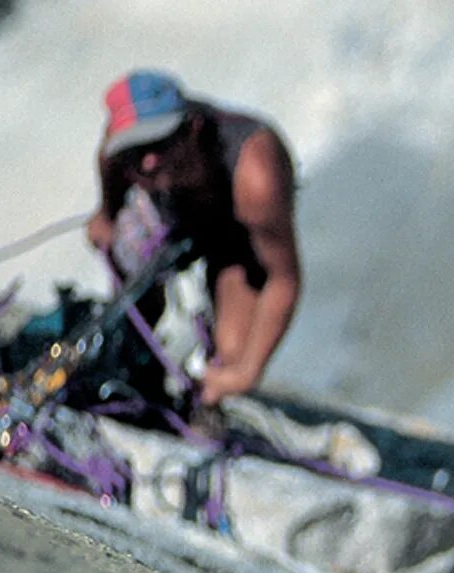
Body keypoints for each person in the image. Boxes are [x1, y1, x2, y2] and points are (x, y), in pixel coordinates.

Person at [86, 69, 302, 406]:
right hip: (169, 211)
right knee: (131, 300)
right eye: (135, 151)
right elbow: (108, 158)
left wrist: (247, 371)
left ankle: (209, 399)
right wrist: (107, 215)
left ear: (192, 129)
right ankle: (132, 362)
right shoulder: (123, 155)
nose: (149, 161)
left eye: (160, 142)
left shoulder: (256, 177)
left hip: (236, 236)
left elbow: (283, 280)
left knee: (230, 354)